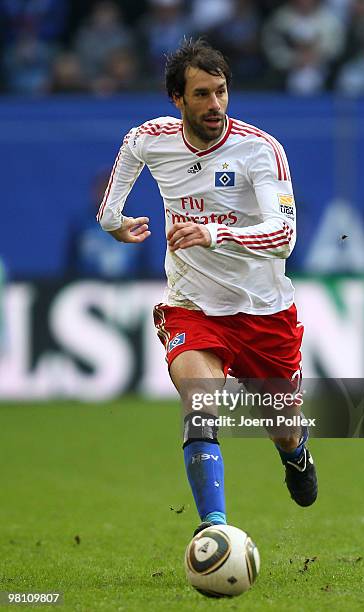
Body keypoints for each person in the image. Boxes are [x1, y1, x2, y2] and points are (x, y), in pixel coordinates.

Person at [97, 38, 317, 535]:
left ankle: (296, 454)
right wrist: (114, 222)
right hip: (192, 306)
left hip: (263, 312)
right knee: (200, 401)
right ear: (178, 99)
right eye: (201, 94)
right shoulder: (151, 139)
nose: (214, 104)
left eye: (220, 92)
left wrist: (213, 232)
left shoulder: (260, 150)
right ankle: (214, 528)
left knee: (284, 428)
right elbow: (118, 187)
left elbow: (284, 237)